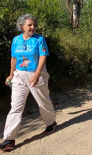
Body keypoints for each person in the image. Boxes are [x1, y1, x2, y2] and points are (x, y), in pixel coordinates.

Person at [0, 14, 56, 152]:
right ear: (22, 26)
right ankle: (9, 139)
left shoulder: (39, 39)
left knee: (43, 102)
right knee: (16, 107)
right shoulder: (16, 40)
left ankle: (51, 123)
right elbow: (14, 58)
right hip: (19, 75)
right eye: (29, 25)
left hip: (36, 74)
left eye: (34, 25)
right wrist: (11, 74)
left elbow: (43, 57)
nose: (32, 27)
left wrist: (37, 74)